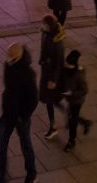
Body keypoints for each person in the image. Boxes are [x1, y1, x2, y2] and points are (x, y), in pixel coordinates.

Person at [0, 43, 38, 183]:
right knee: (0, 146)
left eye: (10, 55)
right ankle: (1, 176)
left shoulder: (28, 73)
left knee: (26, 145)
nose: (7, 58)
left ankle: (32, 174)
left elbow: (33, 99)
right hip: (7, 114)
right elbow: (8, 87)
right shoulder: (8, 65)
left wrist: (23, 116)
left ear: (17, 56)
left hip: (20, 118)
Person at [39, 14, 65, 142]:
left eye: (44, 23)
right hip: (46, 72)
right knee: (52, 100)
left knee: (50, 100)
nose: (42, 25)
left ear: (50, 25)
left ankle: (53, 127)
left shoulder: (57, 42)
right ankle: (71, 116)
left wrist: (53, 80)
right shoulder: (46, 34)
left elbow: (59, 63)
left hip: (51, 77)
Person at [62, 50, 92, 152]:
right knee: (70, 115)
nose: (66, 66)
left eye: (68, 64)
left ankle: (72, 140)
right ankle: (85, 122)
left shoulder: (79, 76)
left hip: (77, 101)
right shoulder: (66, 70)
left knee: (73, 119)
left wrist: (72, 94)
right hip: (70, 99)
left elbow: (85, 90)